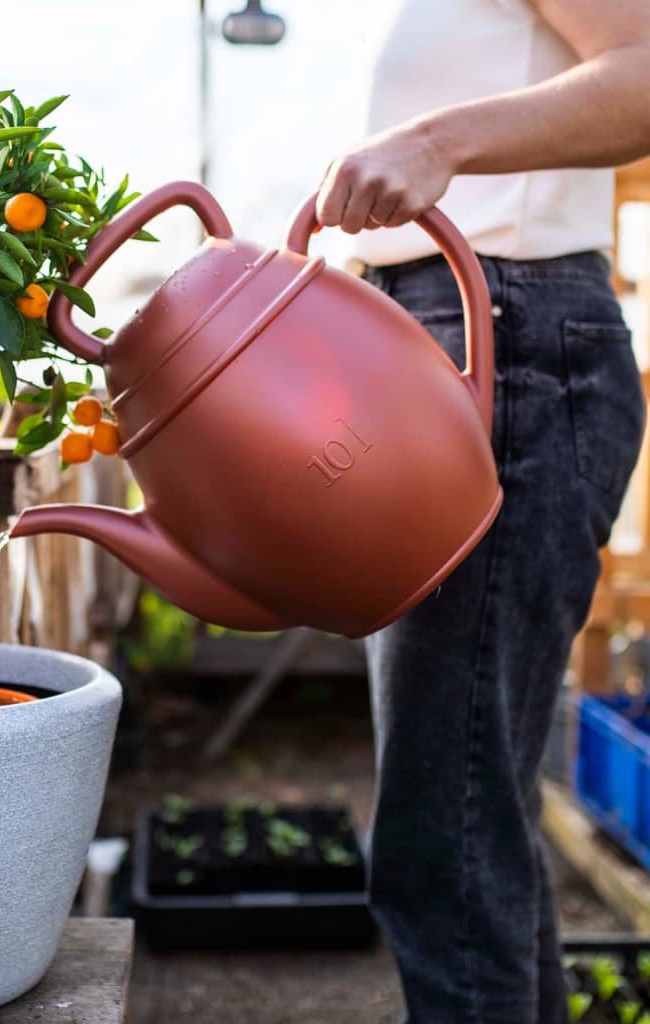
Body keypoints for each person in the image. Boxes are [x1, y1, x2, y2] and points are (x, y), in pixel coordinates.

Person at [314, 1, 650, 1021]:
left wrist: (433, 141)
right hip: (463, 338)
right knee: (471, 816)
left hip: (503, 339)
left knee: (444, 838)